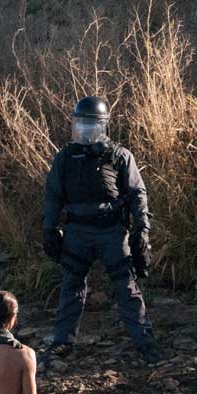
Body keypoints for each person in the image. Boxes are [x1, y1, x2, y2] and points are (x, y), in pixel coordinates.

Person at [42, 95, 160, 362]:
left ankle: (144, 342)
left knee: (126, 287)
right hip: (77, 232)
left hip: (112, 232)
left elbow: (137, 194)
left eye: (90, 124)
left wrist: (142, 229)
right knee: (71, 286)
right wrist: (49, 228)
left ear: (103, 126)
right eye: (80, 124)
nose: (85, 130)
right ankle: (63, 342)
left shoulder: (119, 155)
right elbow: (52, 195)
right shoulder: (65, 158)